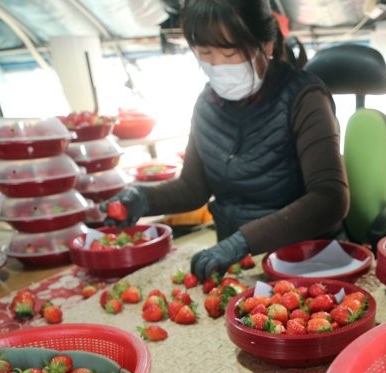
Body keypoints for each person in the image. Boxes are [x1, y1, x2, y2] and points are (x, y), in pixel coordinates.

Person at [101, 0, 350, 282]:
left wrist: (240, 242)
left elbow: (330, 198)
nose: (217, 65)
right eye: (205, 53)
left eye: (230, 53)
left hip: (304, 263)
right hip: (235, 267)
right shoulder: (206, 105)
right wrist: (142, 199)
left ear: (266, 45)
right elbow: (193, 188)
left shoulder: (304, 97)